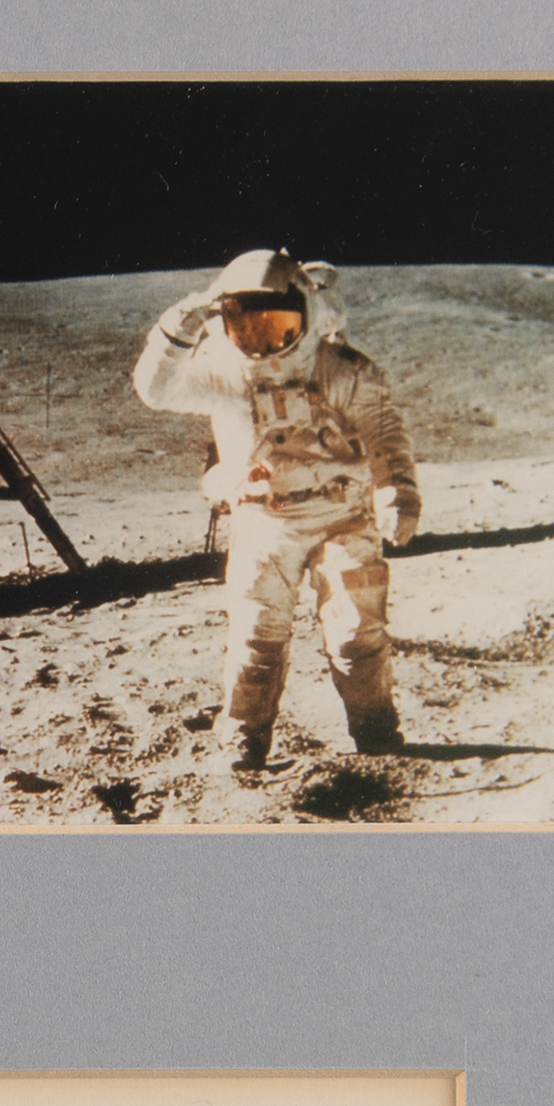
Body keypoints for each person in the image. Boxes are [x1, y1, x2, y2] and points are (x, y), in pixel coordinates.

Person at [133, 249, 422, 770]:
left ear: (306, 314)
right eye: (247, 327)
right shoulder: (222, 372)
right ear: (226, 323)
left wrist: (396, 491)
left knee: (356, 632)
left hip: (341, 515)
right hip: (265, 520)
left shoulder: (338, 368)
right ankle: (243, 739)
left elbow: (383, 430)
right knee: (256, 636)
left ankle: (376, 731)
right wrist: (181, 323)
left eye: (277, 326)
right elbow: (155, 390)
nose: (262, 342)